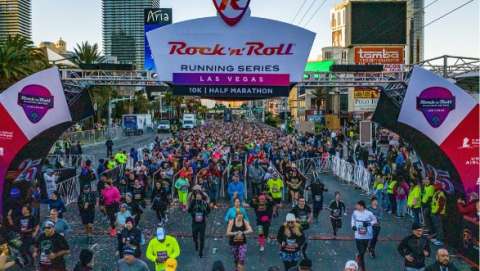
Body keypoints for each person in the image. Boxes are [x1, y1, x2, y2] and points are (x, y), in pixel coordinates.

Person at [351, 200, 377, 271]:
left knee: (363, 251)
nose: (356, 206)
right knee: (362, 253)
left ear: (361, 206)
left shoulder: (369, 213)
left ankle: (359, 256)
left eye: (357, 205)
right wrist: (353, 226)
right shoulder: (355, 212)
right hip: (358, 235)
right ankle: (363, 268)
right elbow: (353, 219)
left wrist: (369, 224)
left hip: (367, 235)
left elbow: (375, 220)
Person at [188, 189, 210, 257]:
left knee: (202, 238)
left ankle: (201, 251)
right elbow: (189, 210)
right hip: (194, 222)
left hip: (202, 223)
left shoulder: (204, 202)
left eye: (199, 195)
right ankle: (196, 243)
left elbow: (209, 211)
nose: (198, 196)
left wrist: (205, 211)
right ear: (195, 196)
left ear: (201, 196)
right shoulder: (193, 202)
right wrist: (193, 213)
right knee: (194, 236)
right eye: (197, 195)